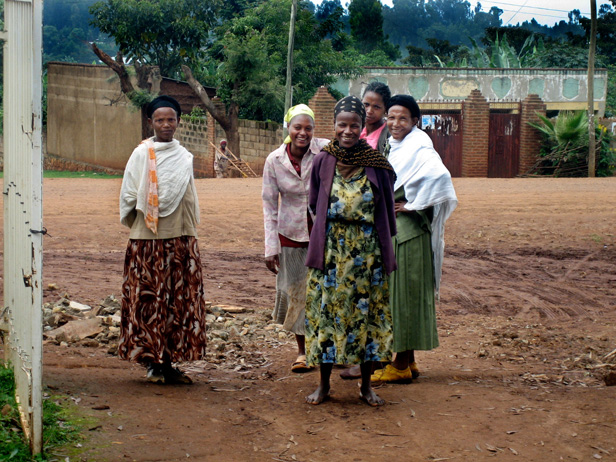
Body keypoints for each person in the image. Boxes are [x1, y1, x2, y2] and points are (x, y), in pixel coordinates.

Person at [304, 95, 397, 406]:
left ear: (362, 127)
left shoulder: (377, 164)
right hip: (330, 252)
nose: (347, 130)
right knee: (327, 316)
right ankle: (324, 385)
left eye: (354, 125)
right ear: (333, 125)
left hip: (367, 254)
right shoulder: (322, 160)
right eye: (341, 124)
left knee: (367, 318)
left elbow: (386, 208)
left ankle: (366, 386)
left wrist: (384, 251)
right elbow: (313, 202)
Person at [119, 95, 208, 385]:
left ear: (178, 122)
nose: (166, 124)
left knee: (177, 302)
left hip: (180, 238)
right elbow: (130, 193)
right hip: (149, 239)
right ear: (150, 122)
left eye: (171, 119)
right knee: (151, 299)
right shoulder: (142, 153)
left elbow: (188, 196)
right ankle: (153, 362)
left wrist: (190, 233)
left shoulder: (183, 156)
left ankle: (168, 362)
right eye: (160, 120)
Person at [371, 94, 457, 383]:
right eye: (392, 117)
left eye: (403, 118)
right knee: (406, 294)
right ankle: (410, 360)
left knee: (403, 298)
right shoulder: (398, 145)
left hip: (407, 232)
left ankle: (400, 366)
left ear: (415, 121)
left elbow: (440, 178)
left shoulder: (419, 147)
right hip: (404, 233)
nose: (395, 123)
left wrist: (412, 203)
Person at [262, 104, 329, 373]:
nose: (303, 133)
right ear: (288, 129)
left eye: (308, 128)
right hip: (291, 235)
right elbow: (269, 205)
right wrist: (270, 247)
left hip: (323, 234)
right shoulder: (274, 160)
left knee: (325, 291)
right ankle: (302, 352)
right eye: (297, 127)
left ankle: (327, 348)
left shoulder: (325, 150)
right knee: (297, 291)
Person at [360, 81, 391, 153]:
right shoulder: (356, 130)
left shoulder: (389, 135)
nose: (369, 111)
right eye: (366, 104)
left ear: (385, 109)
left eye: (376, 107)